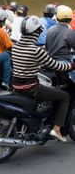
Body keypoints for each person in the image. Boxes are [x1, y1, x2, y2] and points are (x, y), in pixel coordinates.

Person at [12, 15, 75, 143]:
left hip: (16, 86)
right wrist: (71, 65)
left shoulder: (15, 47)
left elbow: (26, 63)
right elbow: (56, 65)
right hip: (32, 88)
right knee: (64, 97)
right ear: (36, 32)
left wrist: (38, 66)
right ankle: (57, 129)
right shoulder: (35, 51)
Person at [46, 6, 75, 84]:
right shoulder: (70, 32)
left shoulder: (50, 30)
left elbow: (47, 47)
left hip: (50, 62)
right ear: (70, 19)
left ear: (57, 17)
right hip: (64, 63)